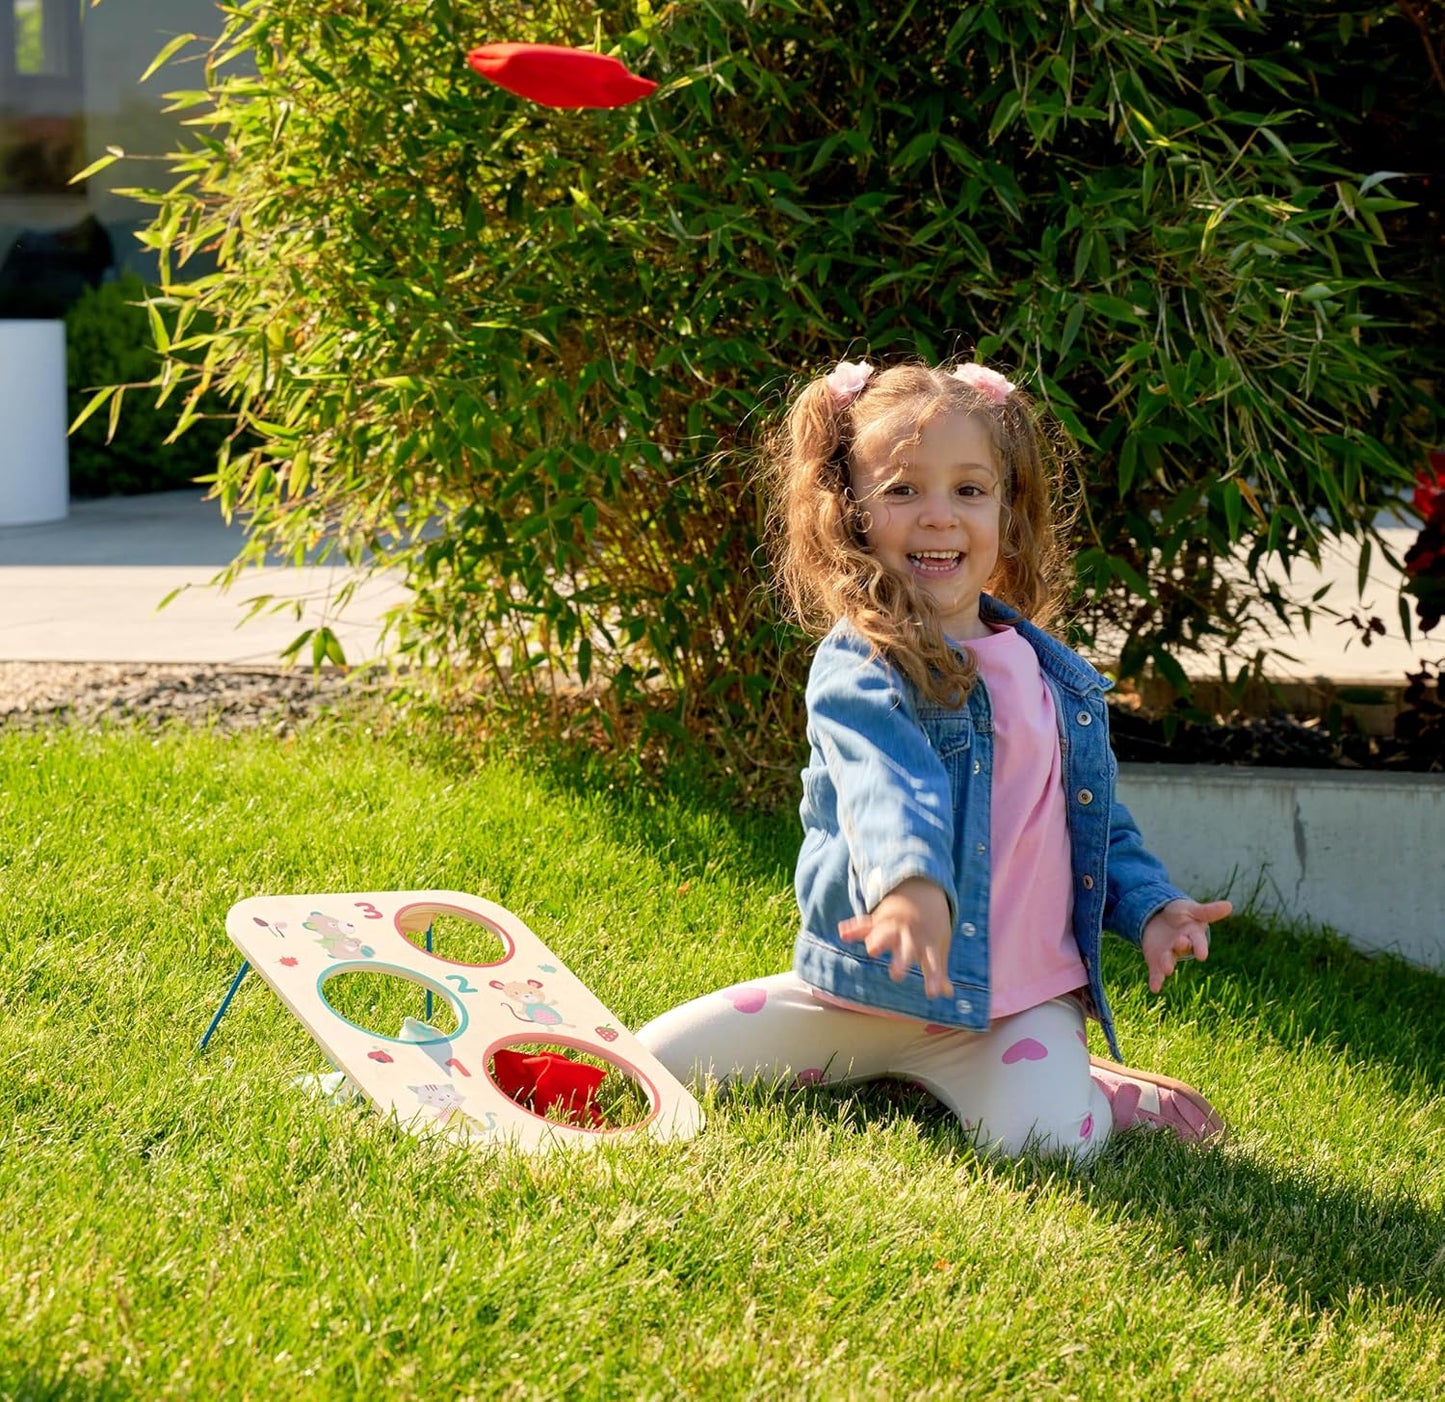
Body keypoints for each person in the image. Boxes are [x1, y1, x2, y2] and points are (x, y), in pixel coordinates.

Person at [637, 357, 1232, 1161]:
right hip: (862, 996)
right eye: (902, 491)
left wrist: (1153, 907)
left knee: (1051, 1147)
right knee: (652, 1065)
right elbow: (886, 781)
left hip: (1013, 1003)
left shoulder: (1045, 669)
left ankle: (1079, 1083)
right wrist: (908, 885)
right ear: (850, 516)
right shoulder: (860, 661)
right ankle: (901, 1067)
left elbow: (1087, 824)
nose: (938, 517)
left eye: (968, 490)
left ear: (1006, 515)